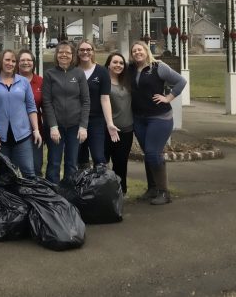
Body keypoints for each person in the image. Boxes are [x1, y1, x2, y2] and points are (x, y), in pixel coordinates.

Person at [129, 40, 187, 205]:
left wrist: (168, 97)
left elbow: (181, 82)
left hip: (159, 118)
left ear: (146, 51)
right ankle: (152, 189)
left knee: (153, 153)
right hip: (139, 119)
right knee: (148, 154)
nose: (137, 53)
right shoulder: (131, 69)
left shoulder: (159, 67)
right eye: (134, 51)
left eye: (140, 50)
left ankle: (164, 192)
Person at [0, 49, 41, 178]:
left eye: (13, 61)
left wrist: (36, 130)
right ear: (1, 61)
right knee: (4, 175)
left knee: (29, 173)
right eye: (7, 60)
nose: (10, 63)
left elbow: (31, 108)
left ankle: (28, 198)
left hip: (22, 135)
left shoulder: (23, 82)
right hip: (0, 138)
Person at [42, 41, 89, 184]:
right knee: (54, 161)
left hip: (75, 126)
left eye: (68, 52)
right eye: (61, 52)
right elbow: (47, 102)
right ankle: (53, 194)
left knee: (71, 162)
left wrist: (83, 126)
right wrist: (53, 126)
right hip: (56, 127)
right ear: (56, 55)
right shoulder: (50, 74)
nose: (64, 55)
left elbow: (86, 101)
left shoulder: (79, 73)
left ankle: (69, 194)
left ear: (72, 55)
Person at [75, 40, 120, 167]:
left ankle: (100, 185)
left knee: (99, 157)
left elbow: (105, 99)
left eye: (88, 49)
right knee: (79, 157)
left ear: (93, 52)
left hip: (96, 120)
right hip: (76, 120)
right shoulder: (72, 71)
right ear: (77, 52)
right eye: (82, 49)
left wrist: (110, 123)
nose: (85, 52)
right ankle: (82, 185)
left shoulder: (102, 72)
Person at [105, 52, 133, 195]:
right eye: (115, 62)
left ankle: (121, 193)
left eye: (121, 63)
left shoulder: (127, 81)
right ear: (108, 65)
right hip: (107, 130)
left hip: (126, 130)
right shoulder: (103, 82)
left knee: (121, 164)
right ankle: (104, 194)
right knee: (103, 163)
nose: (118, 65)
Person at [17, 49, 46, 177]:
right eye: (22, 60)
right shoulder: (10, 80)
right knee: (14, 169)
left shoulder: (41, 81)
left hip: (35, 131)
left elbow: (46, 107)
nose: (26, 63)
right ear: (17, 63)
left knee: (35, 167)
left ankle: (35, 195)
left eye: (29, 60)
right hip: (14, 131)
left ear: (33, 63)